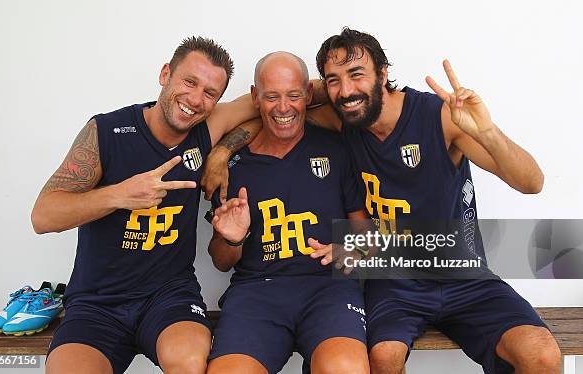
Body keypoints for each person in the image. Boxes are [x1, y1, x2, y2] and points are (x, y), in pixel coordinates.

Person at [202, 29, 562, 374]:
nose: (346, 90)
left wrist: (487, 131)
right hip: (394, 280)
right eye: (333, 80)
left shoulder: (439, 117)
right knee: (384, 356)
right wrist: (221, 154)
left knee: (542, 355)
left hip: (462, 272)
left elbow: (532, 182)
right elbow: (276, 117)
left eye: (357, 74)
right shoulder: (345, 123)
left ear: (383, 73)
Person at [31, 36, 260, 374]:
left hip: (169, 297)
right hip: (98, 302)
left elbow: (279, 104)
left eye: (210, 93)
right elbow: (43, 216)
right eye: (189, 81)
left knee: (191, 362)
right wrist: (119, 194)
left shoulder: (204, 132)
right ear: (165, 73)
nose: (196, 100)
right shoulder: (106, 131)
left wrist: (222, 152)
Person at [205, 51, 370, 374]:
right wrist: (232, 239)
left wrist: (352, 250)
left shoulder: (336, 148)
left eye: (293, 95)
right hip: (257, 292)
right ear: (255, 98)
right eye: (271, 97)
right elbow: (221, 261)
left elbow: (365, 233)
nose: (283, 108)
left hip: (329, 289)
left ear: (308, 95)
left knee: (345, 369)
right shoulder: (233, 167)